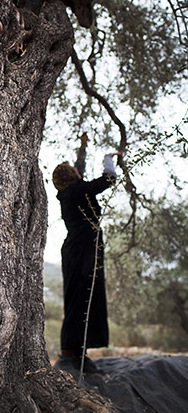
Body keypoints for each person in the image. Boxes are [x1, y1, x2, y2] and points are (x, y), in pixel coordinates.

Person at [52, 133, 120, 371]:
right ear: (73, 177)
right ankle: (70, 352)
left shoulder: (70, 192)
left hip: (80, 249)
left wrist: (82, 147)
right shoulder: (79, 191)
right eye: (74, 169)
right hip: (82, 250)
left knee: (84, 296)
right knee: (83, 295)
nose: (77, 169)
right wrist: (107, 158)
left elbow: (78, 167)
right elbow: (109, 179)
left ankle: (78, 351)